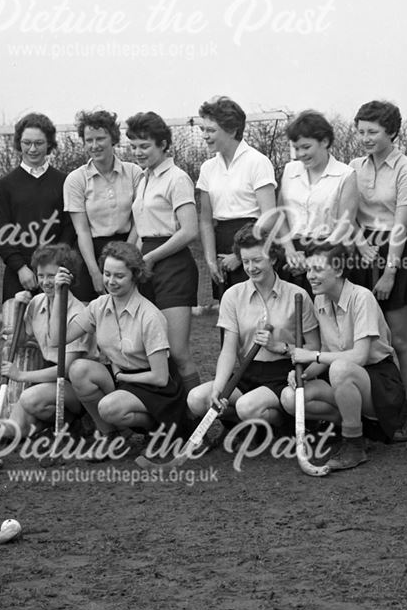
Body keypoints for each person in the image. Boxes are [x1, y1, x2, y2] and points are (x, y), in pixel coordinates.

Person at [281, 242, 406, 472]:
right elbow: (330, 351)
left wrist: (313, 355)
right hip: (347, 380)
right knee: (291, 397)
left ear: (338, 270)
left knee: (339, 369)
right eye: (308, 270)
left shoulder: (362, 297)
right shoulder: (320, 300)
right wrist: (304, 374)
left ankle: (354, 445)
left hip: (381, 384)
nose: (311, 276)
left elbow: (358, 357)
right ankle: (350, 424)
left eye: (317, 269)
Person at [188, 225, 319, 443]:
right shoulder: (233, 295)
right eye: (246, 261)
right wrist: (219, 387)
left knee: (246, 406)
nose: (251, 267)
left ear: (273, 259)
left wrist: (283, 347)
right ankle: (253, 427)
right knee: (197, 399)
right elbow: (228, 350)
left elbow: (315, 347)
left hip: (283, 375)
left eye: (257, 260)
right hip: (247, 373)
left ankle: (281, 425)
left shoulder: (298, 295)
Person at [347, 100, 407, 442]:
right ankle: (374, 412)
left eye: (373, 131)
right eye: (361, 131)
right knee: (364, 337)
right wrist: (359, 243)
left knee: (399, 339)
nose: (365, 137)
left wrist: (390, 271)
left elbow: (401, 224)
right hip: (360, 252)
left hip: (396, 252)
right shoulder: (353, 166)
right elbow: (346, 214)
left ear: (392, 132)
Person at [53, 242, 184, 453]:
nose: (110, 281)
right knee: (78, 369)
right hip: (121, 376)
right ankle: (110, 436)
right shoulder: (99, 306)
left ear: (135, 275)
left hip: (156, 387)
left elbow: (160, 377)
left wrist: (122, 377)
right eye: (107, 274)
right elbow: (58, 339)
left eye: (119, 276)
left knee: (108, 407)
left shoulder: (150, 316)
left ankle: (159, 430)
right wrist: (59, 294)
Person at [126, 111, 202, 400]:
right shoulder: (143, 180)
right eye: (133, 147)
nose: (138, 152)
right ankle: (175, 419)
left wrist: (153, 257)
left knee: (178, 352)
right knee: (155, 353)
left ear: (163, 145)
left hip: (173, 267)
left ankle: (198, 421)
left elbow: (189, 230)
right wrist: (126, 257)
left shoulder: (177, 178)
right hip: (145, 264)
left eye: (144, 146)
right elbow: (139, 228)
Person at [1, 244, 94, 437]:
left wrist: (22, 376)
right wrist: (19, 309)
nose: (45, 282)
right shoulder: (37, 302)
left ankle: (78, 422)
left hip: (76, 387)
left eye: (51, 276)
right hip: (49, 382)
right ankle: (46, 427)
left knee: (29, 398)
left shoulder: (78, 313)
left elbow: (66, 368)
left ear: (67, 275)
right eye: (41, 275)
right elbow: (20, 342)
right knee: (12, 429)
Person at [195, 96, 277, 302]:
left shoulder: (258, 162)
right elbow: (205, 220)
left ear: (232, 130)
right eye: (203, 129)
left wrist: (240, 256)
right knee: (229, 323)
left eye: (211, 130)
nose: (205, 136)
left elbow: (269, 217)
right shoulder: (207, 168)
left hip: (254, 246)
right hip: (222, 248)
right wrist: (211, 260)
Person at [0, 112, 75, 307]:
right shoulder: (6, 185)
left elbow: (69, 228)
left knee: (57, 334)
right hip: (19, 276)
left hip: (56, 273)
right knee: (15, 335)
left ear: (49, 144)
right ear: (18, 143)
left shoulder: (65, 182)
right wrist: (20, 268)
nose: (32, 149)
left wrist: (53, 266)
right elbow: (0, 231)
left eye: (38, 143)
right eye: (26, 142)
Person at [274, 110, 359, 293]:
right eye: (296, 148)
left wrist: (315, 261)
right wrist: (289, 250)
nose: (300, 154)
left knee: (327, 316)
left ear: (325, 142)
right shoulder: (290, 171)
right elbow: (280, 214)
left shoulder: (345, 175)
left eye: (306, 147)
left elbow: (344, 225)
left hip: (329, 255)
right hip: (293, 256)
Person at [64, 109, 142, 303]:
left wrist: (125, 258)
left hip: (128, 247)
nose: (94, 145)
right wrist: (95, 273)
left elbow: (139, 222)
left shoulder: (134, 172)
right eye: (89, 140)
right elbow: (81, 231)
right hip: (91, 252)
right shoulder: (76, 179)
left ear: (113, 139)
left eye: (100, 139)